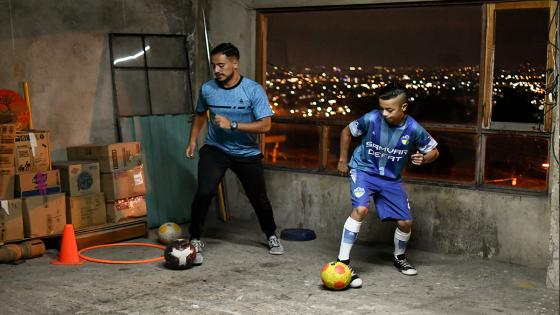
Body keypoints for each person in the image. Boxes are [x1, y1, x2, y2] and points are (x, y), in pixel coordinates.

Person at [185, 42, 284, 265]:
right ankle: (195, 239)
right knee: (204, 192)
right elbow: (200, 115)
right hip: (215, 149)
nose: (217, 71)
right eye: (214, 66)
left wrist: (233, 125)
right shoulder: (207, 88)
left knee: (259, 198)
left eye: (221, 65)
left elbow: (266, 125)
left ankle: (271, 235)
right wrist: (192, 140)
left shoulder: (253, 90)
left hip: (246, 152)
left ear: (235, 63)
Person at [336, 82, 439, 288]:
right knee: (361, 208)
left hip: (390, 179)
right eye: (382, 108)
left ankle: (399, 257)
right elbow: (347, 132)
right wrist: (342, 159)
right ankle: (343, 263)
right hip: (363, 170)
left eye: (389, 109)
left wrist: (424, 159)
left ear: (404, 108)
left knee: (405, 223)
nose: (384, 113)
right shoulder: (371, 118)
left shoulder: (413, 129)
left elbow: (434, 151)